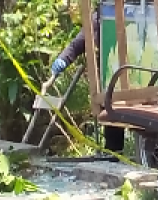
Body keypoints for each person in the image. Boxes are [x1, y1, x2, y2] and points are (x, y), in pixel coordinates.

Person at [49, 10, 125, 154]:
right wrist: (63, 60)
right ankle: (114, 157)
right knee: (113, 126)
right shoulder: (103, 15)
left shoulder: (140, 10)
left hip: (138, 78)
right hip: (112, 80)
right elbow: (79, 43)